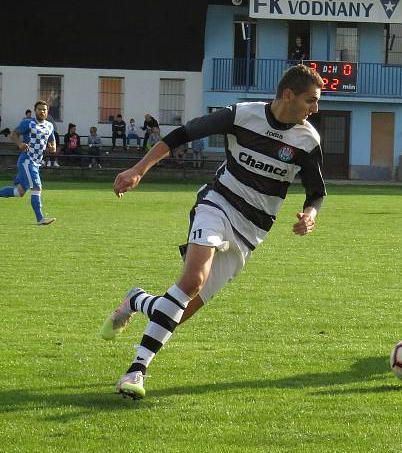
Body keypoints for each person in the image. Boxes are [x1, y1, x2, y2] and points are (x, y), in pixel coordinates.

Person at [101, 64, 326, 400]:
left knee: (181, 310)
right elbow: (181, 135)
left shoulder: (307, 140)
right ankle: (136, 370)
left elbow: (316, 192)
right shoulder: (240, 115)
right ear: (288, 95)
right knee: (191, 282)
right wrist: (137, 170)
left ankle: (136, 299)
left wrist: (310, 215)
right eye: (311, 100)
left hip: (251, 232)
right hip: (217, 203)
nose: (315, 109)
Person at [0, 101, 57, 225]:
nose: (42, 111)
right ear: (35, 110)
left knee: (19, 192)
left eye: (44, 109)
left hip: (36, 163)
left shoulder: (49, 126)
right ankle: (40, 218)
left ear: (47, 111)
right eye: (39, 109)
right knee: (37, 187)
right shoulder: (28, 123)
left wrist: (53, 147)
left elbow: (52, 140)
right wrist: (20, 144)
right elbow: (14, 134)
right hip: (27, 160)